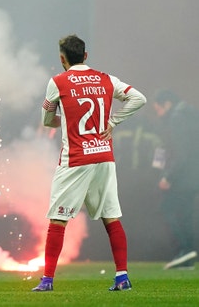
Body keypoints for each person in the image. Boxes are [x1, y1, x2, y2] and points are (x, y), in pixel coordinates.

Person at [31, 34, 146, 293]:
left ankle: (47, 280)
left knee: (58, 220)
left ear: (62, 59)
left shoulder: (58, 82)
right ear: (85, 55)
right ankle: (122, 277)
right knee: (111, 218)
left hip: (75, 159)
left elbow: (47, 121)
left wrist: (65, 119)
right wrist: (113, 122)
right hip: (104, 156)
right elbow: (139, 98)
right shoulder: (106, 79)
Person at [151, 90, 199, 269]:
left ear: (167, 104)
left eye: (158, 109)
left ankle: (185, 249)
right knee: (185, 214)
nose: (158, 114)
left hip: (182, 177)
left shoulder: (176, 118)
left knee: (167, 208)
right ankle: (187, 255)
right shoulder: (191, 114)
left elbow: (180, 153)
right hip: (193, 176)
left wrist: (167, 176)